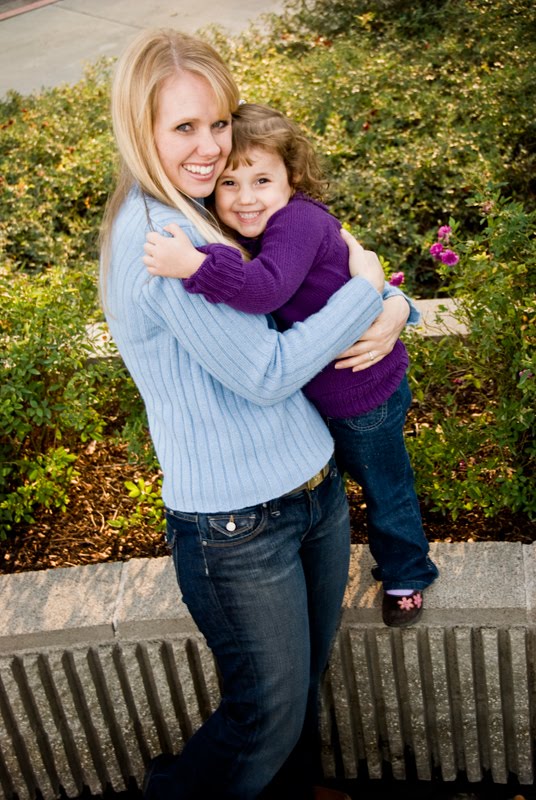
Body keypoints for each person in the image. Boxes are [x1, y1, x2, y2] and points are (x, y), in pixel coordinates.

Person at [100, 28, 414, 800]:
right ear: (139, 128)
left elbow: (313, 256)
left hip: (311, 492)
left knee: (297, 696)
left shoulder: (201, 205)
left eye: (218, 122)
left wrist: (391, 302)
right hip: (238, 524)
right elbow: (268, 372)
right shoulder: (161, 240)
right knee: (262, 719)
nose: (211, 148)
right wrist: (367, 295)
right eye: (184, 127)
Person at [142, 103, 439, 629]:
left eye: (262, 180)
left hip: (361, 392)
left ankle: (407, 573)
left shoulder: (298, 220)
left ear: (292, 178)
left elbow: (266, 289)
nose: (245, 197)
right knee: (352, 488)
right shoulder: (249, 227)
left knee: (384, 487)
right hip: (321, 395)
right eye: (229, 183)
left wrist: (192, 266)